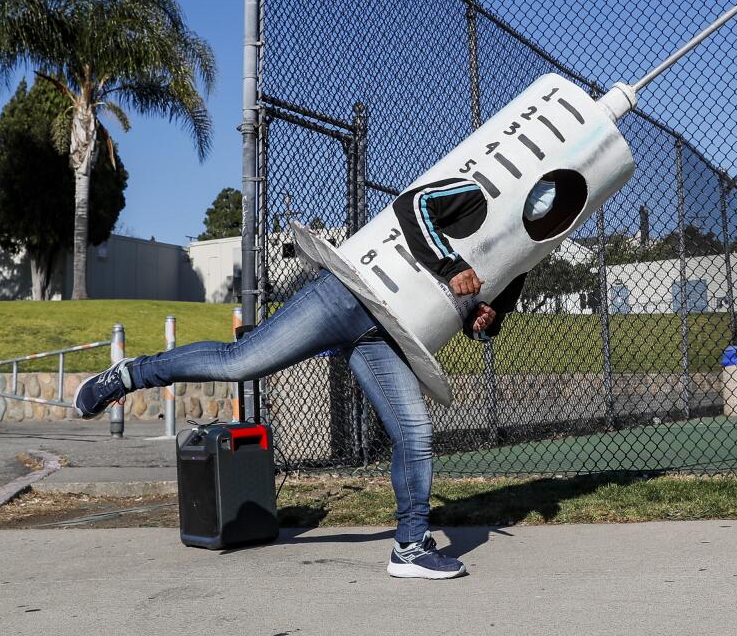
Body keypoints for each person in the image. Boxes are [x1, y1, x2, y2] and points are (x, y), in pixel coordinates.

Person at [74, 178, 558, 578]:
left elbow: (483, 322)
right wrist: (451, 265)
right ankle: (131, 373)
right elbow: (413, 206)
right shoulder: (482, 192)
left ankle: (410, 546)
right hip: (346, 296)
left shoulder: (521, 259)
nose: (539, 214)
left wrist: (483, 320)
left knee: (415, 435)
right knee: (239, 362)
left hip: (386, 337)